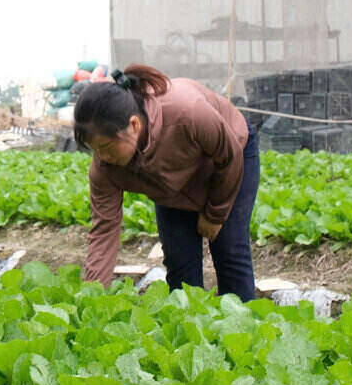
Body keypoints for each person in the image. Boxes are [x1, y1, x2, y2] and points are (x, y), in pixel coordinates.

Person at [75, 64, 258, 301]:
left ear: (134, 125)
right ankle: (191, 332)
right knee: (180, 264)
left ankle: (243, 332)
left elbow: (230, 156)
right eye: (96, 150)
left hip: (228, 160)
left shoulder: (187, 112)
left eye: (108, 148)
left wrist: (215, 214)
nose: (103, 157)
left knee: (229, 251)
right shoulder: (104, 167)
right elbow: (104, 231)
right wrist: (92, 297)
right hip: (172, 187)